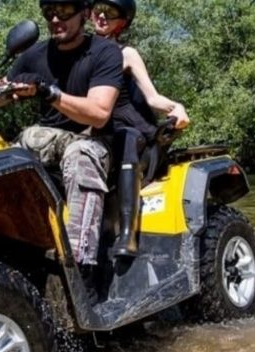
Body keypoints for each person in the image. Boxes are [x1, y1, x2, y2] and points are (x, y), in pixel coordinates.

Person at [0, 0, 123, 286]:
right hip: (49, 139)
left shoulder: (105, 52)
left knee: (81, 154)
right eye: (49, 13)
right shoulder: (34, 55)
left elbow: (99, 113)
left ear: (85, 14)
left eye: (65, 11)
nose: (56, 19)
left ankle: (80, 268)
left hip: (94, 140)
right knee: (0, 157)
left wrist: (48, 92)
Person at [91, 0, 189, 257]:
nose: (102, 16)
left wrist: (176, 107)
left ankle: (128, 234)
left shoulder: (127, 54)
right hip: (101, 138)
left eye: (110, 13)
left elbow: (153, 99)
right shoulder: (81, 55)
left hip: (137, 142)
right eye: (98, 10)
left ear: (121, 22)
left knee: (126, 137)